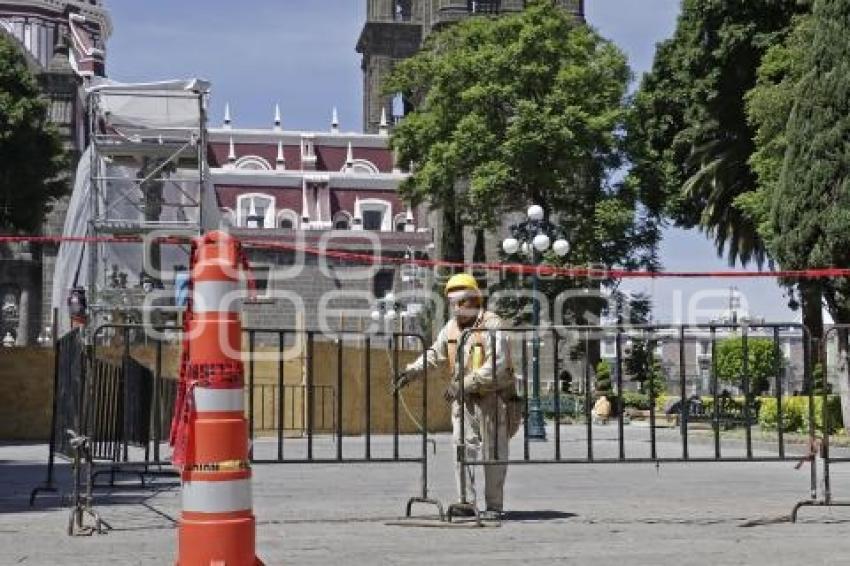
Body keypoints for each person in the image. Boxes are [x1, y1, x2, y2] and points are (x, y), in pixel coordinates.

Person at [395, 273, 514, 519]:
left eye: (462, 302)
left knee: (494, 451)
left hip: (493, 397)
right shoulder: (450, 328)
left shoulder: (492, 324)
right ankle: (466, 502)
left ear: (474, 300)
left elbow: (498, 364)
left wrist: (465, 384)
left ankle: (494, 506)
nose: (457, 308)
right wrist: (410, 372)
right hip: (465, 401)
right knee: (462, 448)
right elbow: (433, 355)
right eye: (453, 303)